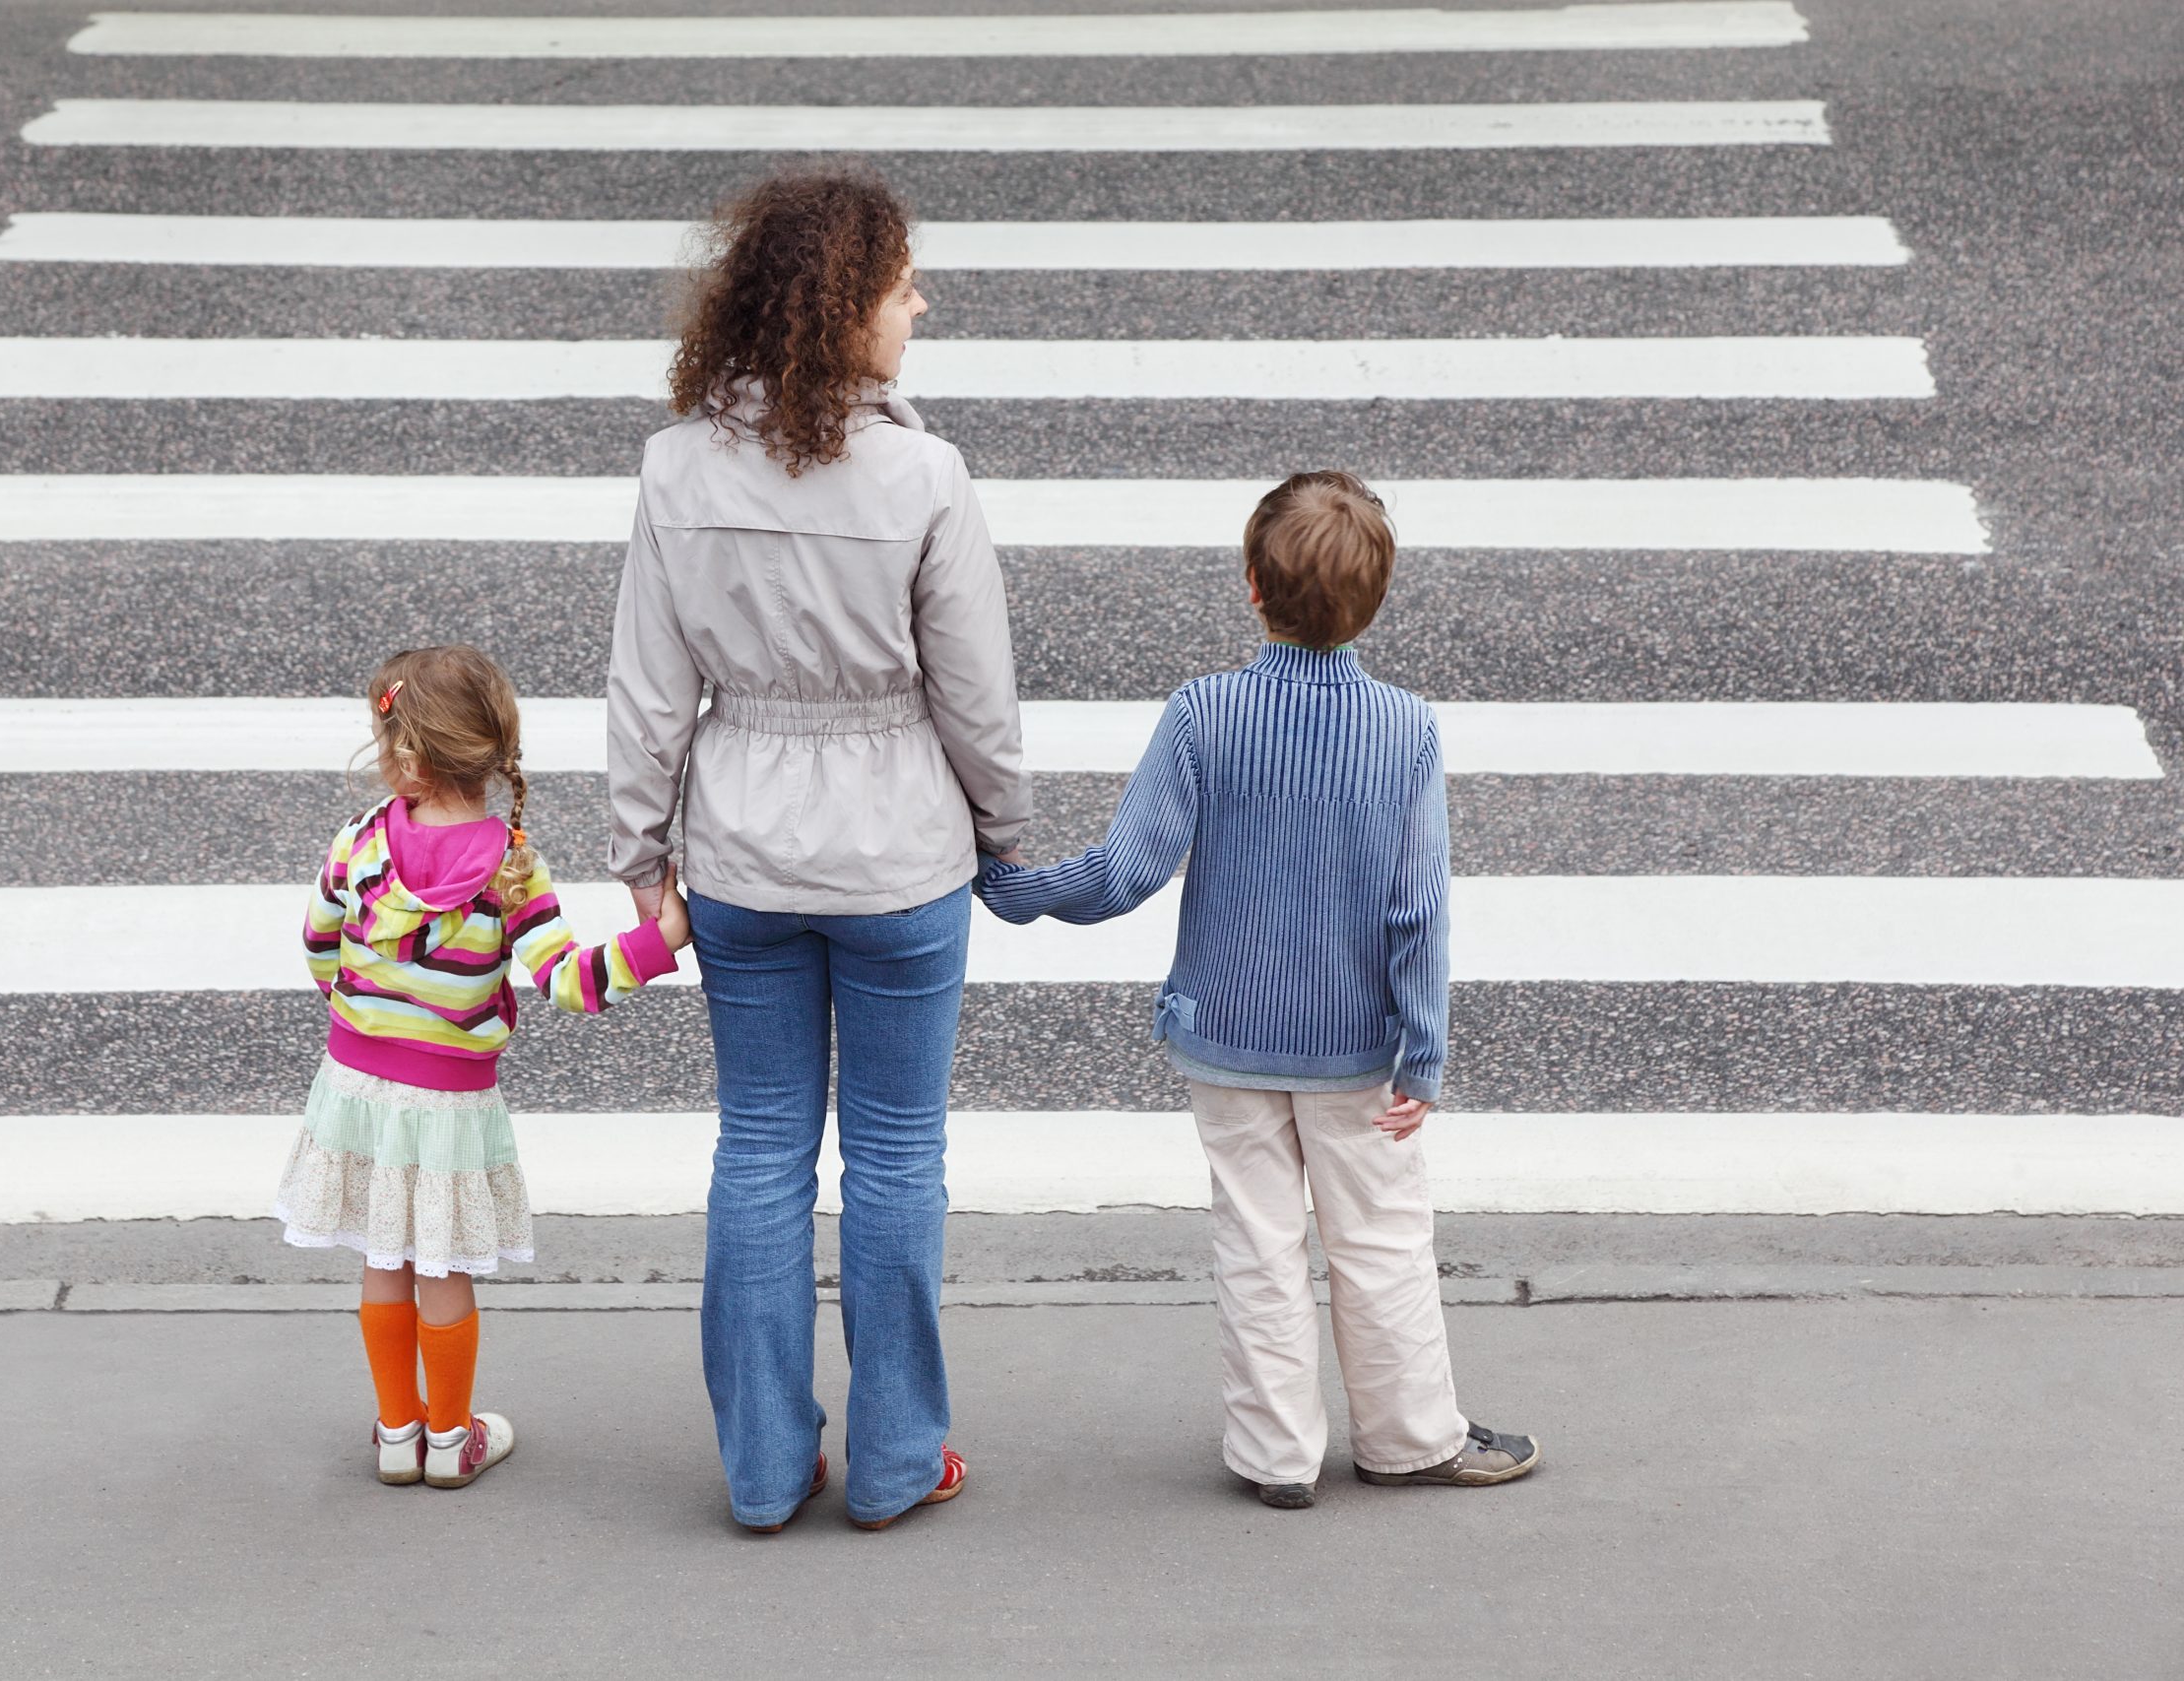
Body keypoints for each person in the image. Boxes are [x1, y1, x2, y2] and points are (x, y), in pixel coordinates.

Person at [977, 472, 1540, 1509]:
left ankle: (1275, 1455)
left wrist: (1006, 887)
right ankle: (1409, 1438)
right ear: (1372, 601)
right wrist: (1425, 1053)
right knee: (1377, 1240)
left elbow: (1123, 873)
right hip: (1357, 1046)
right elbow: (1418, 912)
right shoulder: (1405, 730)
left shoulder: (1203, 714)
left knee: (1257, 1242)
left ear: (1250, 585)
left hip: (1227, 1038)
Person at [605, 166, 1030, 1532]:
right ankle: (901, 1456)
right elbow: (977, 695)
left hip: (739, 855)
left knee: (760, 1148)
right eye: (905, 285)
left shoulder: (676, 468)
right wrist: (1005, 836)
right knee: (900, 1156)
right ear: (851, 311)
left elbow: (647, 689)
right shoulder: (924, 473)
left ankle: (764, 1463)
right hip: (902, 854)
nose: (923, 303)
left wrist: (642, 859)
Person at [275, 644, 690, 1490]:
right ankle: (451, 1437)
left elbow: (320, 947)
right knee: (443, 1265)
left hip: (356, 1083)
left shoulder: (357, 842)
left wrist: (362, 1019)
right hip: (449, 1102)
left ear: (406, 757)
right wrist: (662, 940)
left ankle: (397, 1430)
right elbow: (567, 982)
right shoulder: (510, 865)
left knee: (381, 1258)